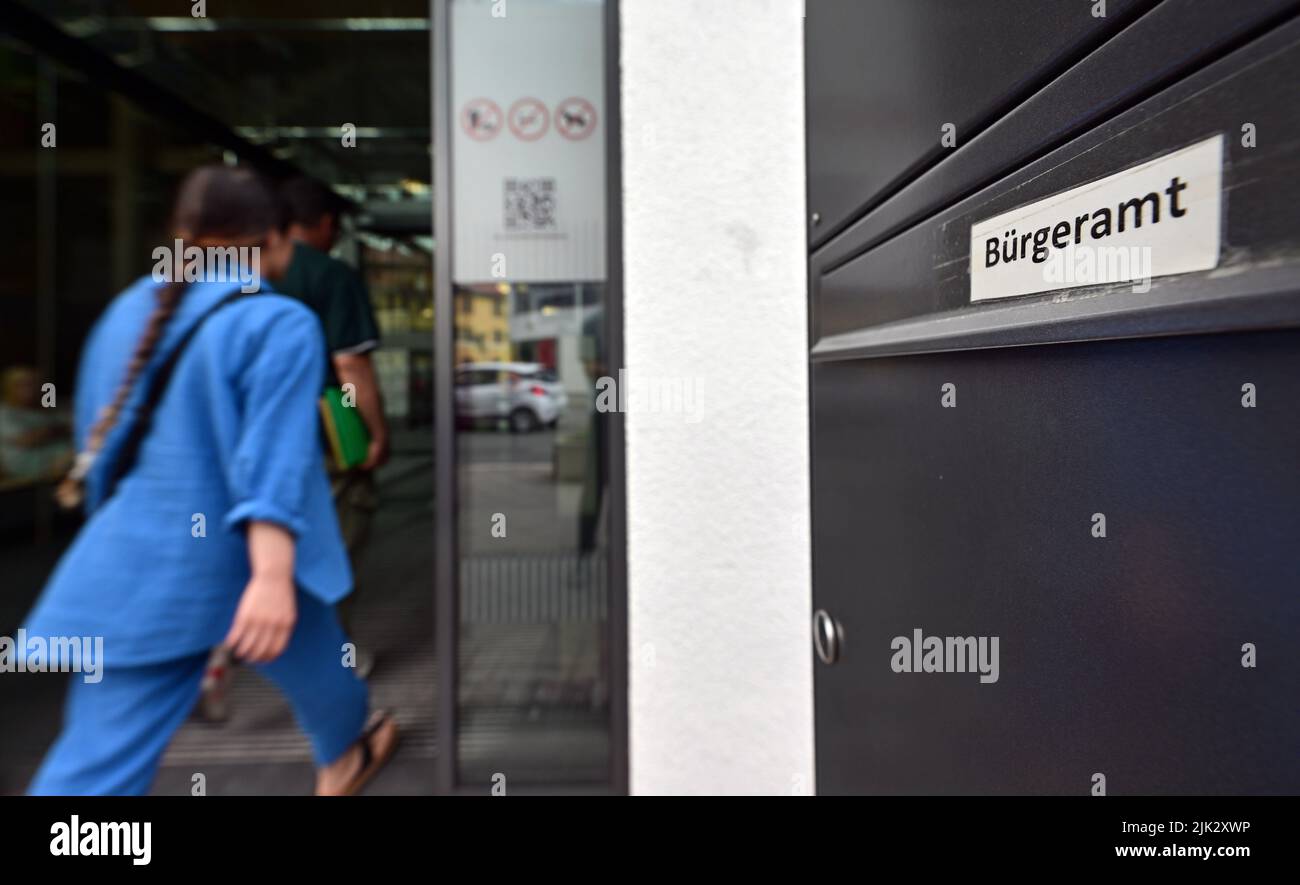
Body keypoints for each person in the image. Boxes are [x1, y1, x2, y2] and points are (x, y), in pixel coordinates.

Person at [23, 165, 397, 796]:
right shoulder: (279, 322)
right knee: (313, 650)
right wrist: (272, 576)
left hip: (135, 566)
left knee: (95, 763)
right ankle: (343, 758)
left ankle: (346, 753)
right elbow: (274, 463)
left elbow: (97, 445)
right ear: (275, 238)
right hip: (233, 568)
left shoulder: (123, 315)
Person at [274, 176, 390, 672]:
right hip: (325, 432)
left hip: (260, 438)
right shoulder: (331, 276)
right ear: (323, 224)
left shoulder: (240, 272)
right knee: (335, 541)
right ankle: (332, 653)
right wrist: (374, 432)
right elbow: (349, 367)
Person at [0, 366, 73, 481]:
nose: (29, 389)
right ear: (10, 388)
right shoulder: (5, 412)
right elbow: (26, 440)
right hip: (28, 461)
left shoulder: (50, 405)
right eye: (22, 385)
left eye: (33, 384)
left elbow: (73, 425)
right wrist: (56, 430)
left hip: (61, 453)